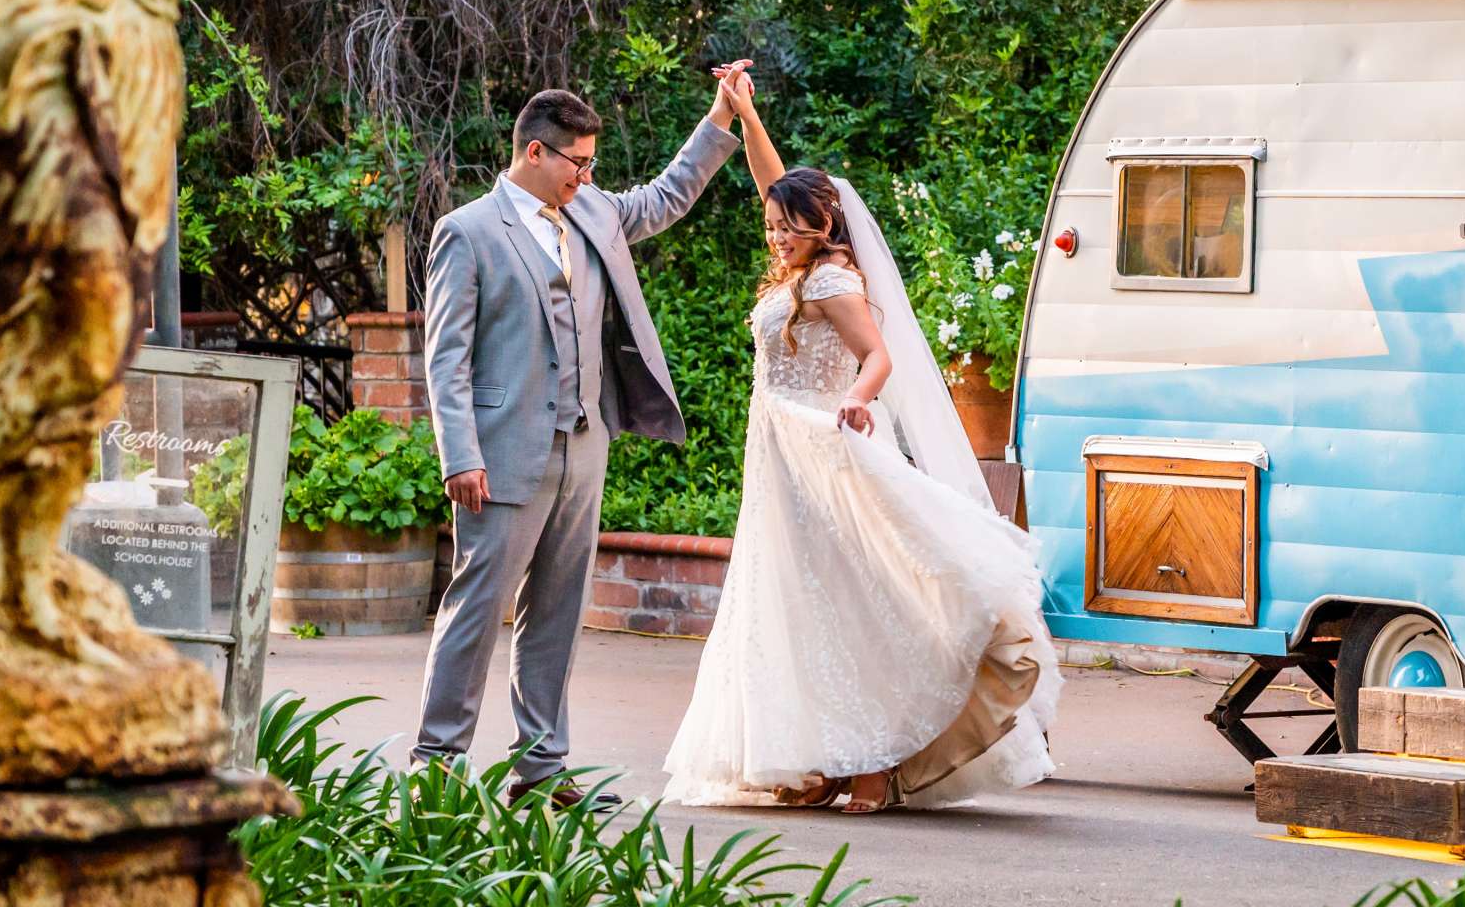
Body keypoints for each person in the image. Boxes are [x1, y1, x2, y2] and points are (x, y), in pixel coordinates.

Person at [662, 75, 1061, 815]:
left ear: (823, 226)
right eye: (772, 226)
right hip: (777, 457)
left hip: (820, 443)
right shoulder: (800, 264)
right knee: (797, 604)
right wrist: (746, 116)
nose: (775, 234)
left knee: (853, 596)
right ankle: (818, 757)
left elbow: (877, 356)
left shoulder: (831, 280)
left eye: (788, 226)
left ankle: (876, 761)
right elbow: (773, 184)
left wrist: (854, 397)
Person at [413, 72, 751, 807]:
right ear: (536, 153)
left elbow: (665, 196)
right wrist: (460, 454)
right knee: (476, 607)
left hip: (583, 442)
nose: (589, 176)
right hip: (500, 454)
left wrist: (719, 118)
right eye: (579, 163)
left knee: (559, 614)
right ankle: (434, 767)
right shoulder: (468, 232)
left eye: (592, 165)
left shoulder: (593, 212)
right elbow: (445, 356)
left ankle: (540, 771)